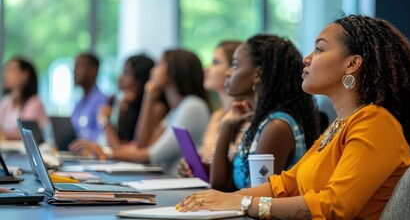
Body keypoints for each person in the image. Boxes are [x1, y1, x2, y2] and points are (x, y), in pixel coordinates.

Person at [176, 15, 410, 219]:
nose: (306, 59)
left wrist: (243, 203)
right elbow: (285, 184)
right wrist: (227, 199)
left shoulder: (375, 123)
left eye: (319, 49)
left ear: (352, 64)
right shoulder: (340, 125)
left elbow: (335, 207)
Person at [69, 49, 211, 175]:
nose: (153, 70)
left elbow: (153, 154)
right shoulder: (176, 110)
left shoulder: (192, 106)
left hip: (181, 184)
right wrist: (148, 95)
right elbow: (144, 145)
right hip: (169, 181)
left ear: (173, 71)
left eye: (159, 65)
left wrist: (105, 152)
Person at [210, 34, 319, 191]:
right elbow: (220, 185)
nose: (228, 73)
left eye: (235, 65)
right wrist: (226, 126)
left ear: (258, 74)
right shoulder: (260, 121)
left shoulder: (276, 127)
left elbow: (258, 195)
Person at [178, 40, 242, 178]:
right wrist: (191, 166)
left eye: (216, 62)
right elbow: (206, 156)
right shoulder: (217, 115)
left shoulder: (244, 116)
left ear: (233, 69)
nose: (207, 68)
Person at [97, 54, 168, 147]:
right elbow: (124, 143)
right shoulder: (127, 106)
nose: (120, 78)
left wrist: (104, 121)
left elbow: (136, 146)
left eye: (127, 73)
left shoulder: (157, 108)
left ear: (140, 80)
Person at [0, 57, 49, 139]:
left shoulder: (34, 102)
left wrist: (3, 134)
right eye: (6, 70)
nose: (6, 74)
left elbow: (24, 133)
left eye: (12, 70)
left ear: (25, 75)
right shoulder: (7, 101)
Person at [70, 52, 108, 142]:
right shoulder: (79, 103)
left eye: (79, 65)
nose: (74, 71)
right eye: (74, 66)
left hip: (92, 152)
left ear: (94, 70)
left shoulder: (103, 101)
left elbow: (101, 138)